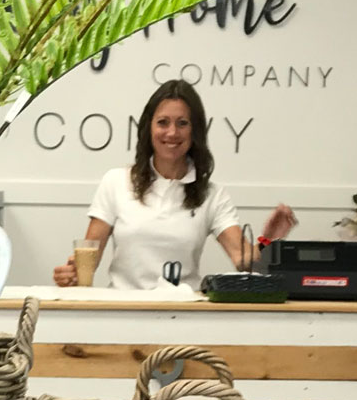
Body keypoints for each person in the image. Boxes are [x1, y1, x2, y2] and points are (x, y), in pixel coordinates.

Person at [53, 80, 298, 289]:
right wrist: (71, 274)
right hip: (122, 312)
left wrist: (268, 240)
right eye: (163, 122)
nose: (172, 133)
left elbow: (243, 260)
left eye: (182, 123)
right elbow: (89, 260)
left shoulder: (213, 195)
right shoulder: (115, 181)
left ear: (195, 131)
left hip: (184, 317)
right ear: (149, 128)